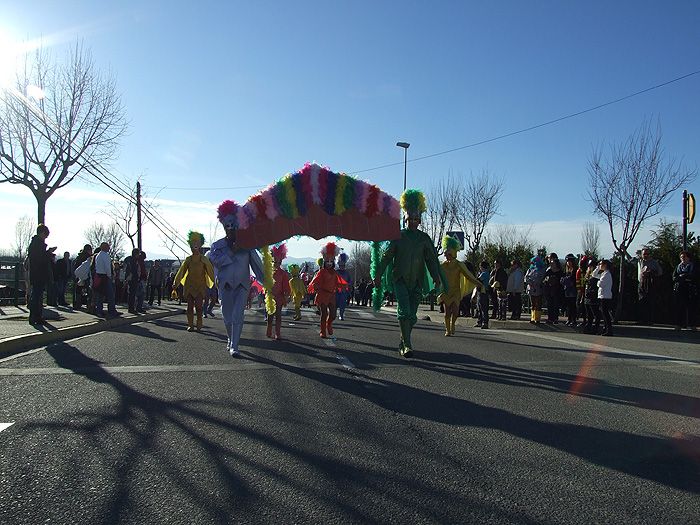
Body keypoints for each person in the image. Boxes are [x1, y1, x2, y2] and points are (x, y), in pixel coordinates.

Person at [373, 189, 442, 357]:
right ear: (405, 219)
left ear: (419, 220)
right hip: (400, 279)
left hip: (417, 280)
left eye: (416, 219)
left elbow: (431, 260)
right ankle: (407, 345)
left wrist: (435, 276)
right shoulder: (398, 236)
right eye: (410, 218)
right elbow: (386, 257)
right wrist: (378, 274)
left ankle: (403, 340)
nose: (413, 222)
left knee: (412, 316)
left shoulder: (424, 239)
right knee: (404, 311)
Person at [209, 199, 265, 357]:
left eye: (233, 226)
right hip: (225, 286)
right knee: (227, 318)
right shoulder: (217, 246)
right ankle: (230, 338)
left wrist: (266, 282)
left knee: (237, 316)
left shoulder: (247, 246)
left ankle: (235, 345)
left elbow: (257, 265)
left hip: (242, 286)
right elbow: (217, 261)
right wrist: (232, 251)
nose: (231, 230)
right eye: (228, 227)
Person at [437, 235, 481, 336]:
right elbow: (436, 273)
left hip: (456, 291)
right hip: (446, 291)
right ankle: (447, 330)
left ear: (453, 253)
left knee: (456, 312)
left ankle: (453, 325)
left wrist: (478, 283)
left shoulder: (459, 264)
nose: (446, 255)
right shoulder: (442, 265)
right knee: (447, 312)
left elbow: (469, 275)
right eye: (445, 253)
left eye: (448, 253)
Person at [172, 231, 215, 332]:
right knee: (189, 306)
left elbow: (210, 272)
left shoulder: (204, 259)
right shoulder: (188, 260)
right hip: (189, 286)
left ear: (200, 245)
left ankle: (199, 322)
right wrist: (176, 283)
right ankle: (190, 325)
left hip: (200, 286)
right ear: (191, 245)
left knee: (199, 307)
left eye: (197, 242)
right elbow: (181, 272)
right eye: (193, 242)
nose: (195, 244)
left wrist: (217, 283)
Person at [309, 242, 346, 338]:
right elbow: (315, 281)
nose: (329, 263)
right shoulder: (321, 272)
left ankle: (328, 324)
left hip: (331, 296)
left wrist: (343, 286)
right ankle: (323, 331)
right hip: (322, 295)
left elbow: (339, 282)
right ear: (324, 261)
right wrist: (316, 286)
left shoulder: (334, 272)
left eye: (331, 261)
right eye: (327, 261)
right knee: (324, 314)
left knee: (333, 315)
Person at [27, 224, 55, 325]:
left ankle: (36, 316)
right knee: (36, 296)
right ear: (42, 233)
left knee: (37, 295)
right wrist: (49, 253)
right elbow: (40, 259)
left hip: (36, 273)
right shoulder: (38, 244)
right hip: (38, 273)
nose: (46, 237)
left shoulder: (35, 244)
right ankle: (35, 316)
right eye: (45, 235)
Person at [267, 244, 291, 340]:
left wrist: (286, 295)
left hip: (279, 297)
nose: (277, 263)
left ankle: (277, 333)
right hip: (270, 297)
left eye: (279, 261)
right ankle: (269, 330)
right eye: (275, 261)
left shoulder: (283, 273)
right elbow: (263, 282)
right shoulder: (268, 271)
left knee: (278, 315)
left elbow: (286, 285)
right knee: (270, 315)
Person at [672, 251, 698, 330]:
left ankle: (692, 325)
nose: (683, 258)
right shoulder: (678, 267)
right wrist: (679, 278)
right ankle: (679, 324)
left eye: (684, 257)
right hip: (680, 289)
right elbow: (674, 277)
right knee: (680, 307)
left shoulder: (693, 266)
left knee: (691, 308)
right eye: (681, 257)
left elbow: (694, 277)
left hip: (690, 289)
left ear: (688, 258)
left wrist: (685, 277)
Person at [93, 242, 120, 318]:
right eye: (108, 246)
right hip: (105, 276)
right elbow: (107, 267)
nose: (109, 248)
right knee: (110, 295)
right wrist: (110, 275)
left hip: (98, 276)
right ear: (104, 247)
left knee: (100, 295)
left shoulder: (98, 255)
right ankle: (112, 311)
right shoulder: (105, 255)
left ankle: (99, 311)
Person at [637, 248, 663, 325]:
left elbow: (660, 272)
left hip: (650, 284)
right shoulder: (640, 261)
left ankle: (650, 320)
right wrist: (624, 251)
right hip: (641, 283)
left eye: (647, 254)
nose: (646, 255)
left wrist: (650, 272)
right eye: (644, 254)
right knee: (641, 302)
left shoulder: (654, 262)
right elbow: (630, 260)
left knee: (650, 302)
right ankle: (642, 319)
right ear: (642, 254)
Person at [543, 252, 563, 324]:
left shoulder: (559, 270)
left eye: (550, 258)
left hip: (557, 289)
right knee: (549, 304)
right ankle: (550, 318)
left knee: (556, 304)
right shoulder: (548, 270)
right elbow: (544, 278)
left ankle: (555, 318)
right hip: (549, 289)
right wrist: (546, 280)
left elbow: (561, 278)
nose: (549, 260)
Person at [583, 259, 602, 334]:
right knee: (589, 314)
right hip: (587, 296)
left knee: (595, 313)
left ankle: (596, 327)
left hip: (593, 296)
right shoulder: (588, 275)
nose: (590, 268)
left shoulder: (596, 274)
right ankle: (589, 326)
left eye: (591, 266)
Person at [525, 256, 545, 324]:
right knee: (533, 304)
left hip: (538, 288)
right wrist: (530, 283)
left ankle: (537, 318)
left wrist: (536, 283)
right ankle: (532, 318)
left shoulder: (542, 270)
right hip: (531, 289)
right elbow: (526, 278)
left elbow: (542, 278)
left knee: (538, 304)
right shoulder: (530, 269)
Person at [597, 259, 614, 336]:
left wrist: (598, 282)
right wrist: (597, 268)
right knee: (603, 313)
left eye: (600, 264)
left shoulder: (607, 274)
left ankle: (609, 329)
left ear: (605, 265)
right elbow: (594, 275)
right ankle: (605, 328)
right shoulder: (603, 273)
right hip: (602, 295)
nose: (599, 265)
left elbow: (600, 284)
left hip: (605, 296)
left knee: (605, 314)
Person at [561, 254, 578, 327]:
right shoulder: (566, 270)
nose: (569, 262)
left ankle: (573, 319)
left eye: (570, 261)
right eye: (568, 261)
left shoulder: (575, 270)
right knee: (568, 305)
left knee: (572, 305)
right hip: (567, 289)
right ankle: (569, 318)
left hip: (573, 289)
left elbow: (574, 279)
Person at [335, 252, 353, 320]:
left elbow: (350, 281)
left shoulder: (347, 273)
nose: (342, 267)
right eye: (341, 265)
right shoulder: (336, 272)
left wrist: (348, 285)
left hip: (344, 291)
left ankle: (341, 315)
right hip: (336, 291)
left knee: (342, 304)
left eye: (343, 265)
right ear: (339, 265)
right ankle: (333, 314)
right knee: (335, 304)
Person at [476, 261, 491, 329]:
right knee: (479, 307)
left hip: (483, 292)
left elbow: (478, 280)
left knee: (483, 308)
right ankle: (480, 321)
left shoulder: (484, 273)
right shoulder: (484, 273)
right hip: (481, 291)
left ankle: (485, 322)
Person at [576, 255, 589, 328]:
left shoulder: (588, 271)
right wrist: (579, 291)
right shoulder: (579, 271)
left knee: (585, 307)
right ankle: (583, 320)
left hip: (586, 291)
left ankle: (586, 320)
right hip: (581, 291)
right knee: (580, 305)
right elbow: (578, 281)